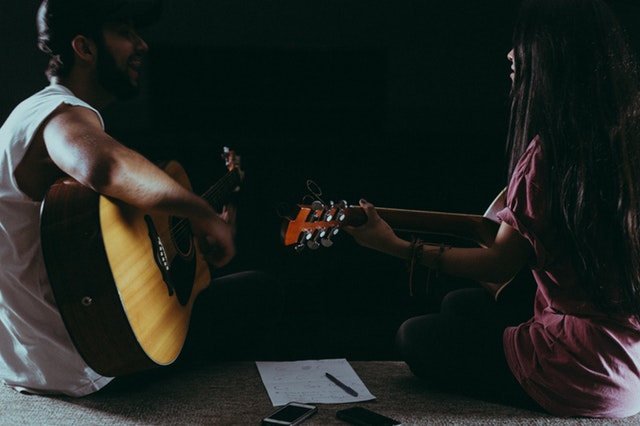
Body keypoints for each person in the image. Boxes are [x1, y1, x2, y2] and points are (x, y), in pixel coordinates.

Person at [344, 0, 640, 419]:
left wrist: (392, 245)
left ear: (552, 54)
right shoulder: (626, 138)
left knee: (414, 336)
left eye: (522, 44)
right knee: (460, 306)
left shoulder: (551, 155)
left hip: (582, 373)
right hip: (631, 360)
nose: (510, 55)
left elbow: (499, 265)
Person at [0, 0, 280, 397]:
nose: (142, 46)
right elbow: (105, 166)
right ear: (85, 48)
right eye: (125, 32)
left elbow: (96, 245)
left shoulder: (33, 113)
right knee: (261, 290)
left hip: (51, 358)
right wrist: (201, 213)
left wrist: (192, 237)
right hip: (93, 363)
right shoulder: (60, 112)